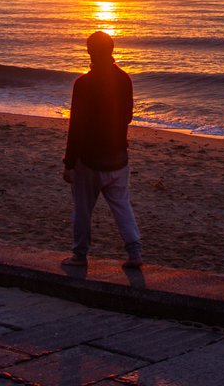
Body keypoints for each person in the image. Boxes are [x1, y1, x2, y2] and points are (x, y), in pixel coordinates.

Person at [61, 30, 142, 268]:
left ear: (89, 51)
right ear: (112, 50)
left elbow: (76, 125)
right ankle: (134, 252)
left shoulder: (83, 83)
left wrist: (69, 163)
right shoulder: (124, 79)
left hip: (89, 159)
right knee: (122, 206)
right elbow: (127, 116)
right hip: (118, 155)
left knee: (83, 209)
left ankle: (80, 255)